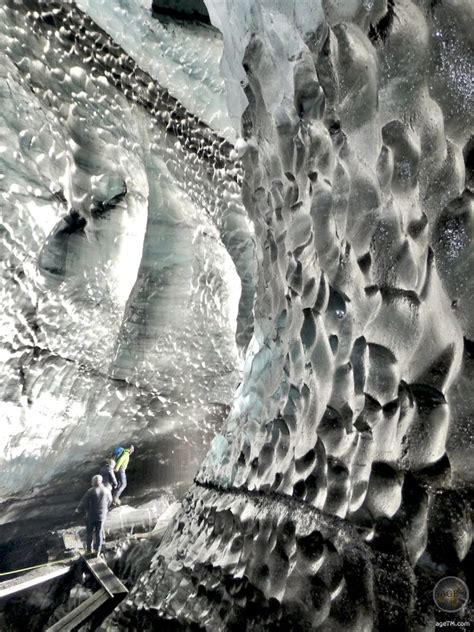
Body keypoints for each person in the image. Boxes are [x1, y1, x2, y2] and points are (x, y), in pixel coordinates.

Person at [75, 474, 112, 557]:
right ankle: (97, 551)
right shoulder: (106, 490)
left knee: (89, 532)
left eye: (93, 481)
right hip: (101, 516)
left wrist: (78, 509)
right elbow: (110, 501)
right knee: (99, 532)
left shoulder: (91, 491)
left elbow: (84, 501)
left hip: (91, 515)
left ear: (94, 482)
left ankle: (89, 550)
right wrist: (105, 509)